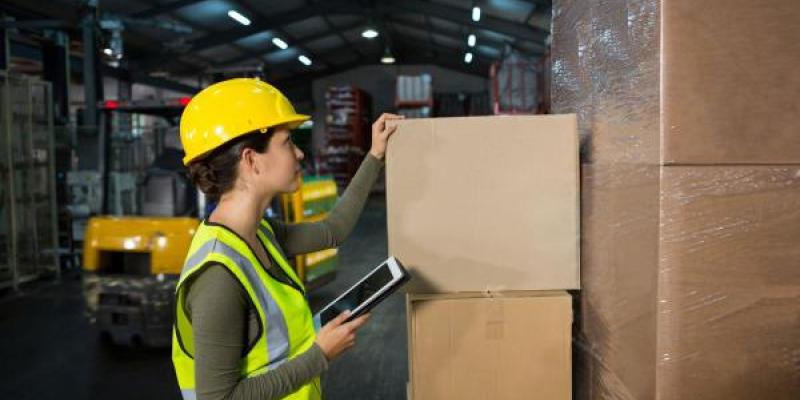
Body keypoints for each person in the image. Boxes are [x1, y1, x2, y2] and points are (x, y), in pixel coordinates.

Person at [172, 78, 403, 400]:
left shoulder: (261, 233)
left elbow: (333, 230)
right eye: (287, 142)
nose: (299, 153)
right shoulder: (217, 278)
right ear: (252, 160)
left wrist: (375, 155)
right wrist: (319, 354)